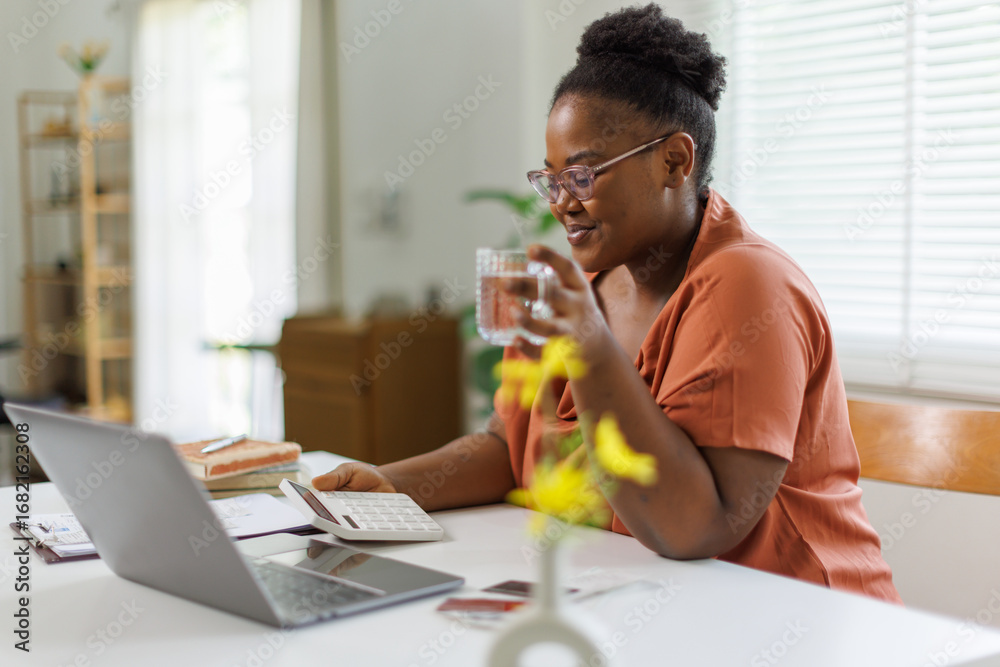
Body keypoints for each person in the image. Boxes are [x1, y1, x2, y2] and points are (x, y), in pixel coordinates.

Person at [314, 4, 900, 603]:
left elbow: (696, 527)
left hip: (798, 615)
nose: (561, 202)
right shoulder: (586, 286)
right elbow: (507, 446)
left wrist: (590, 345)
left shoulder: (748, 285)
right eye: (551, 179)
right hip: (651, 602)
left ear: (675, 161)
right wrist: (389, 484)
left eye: (584, 175)